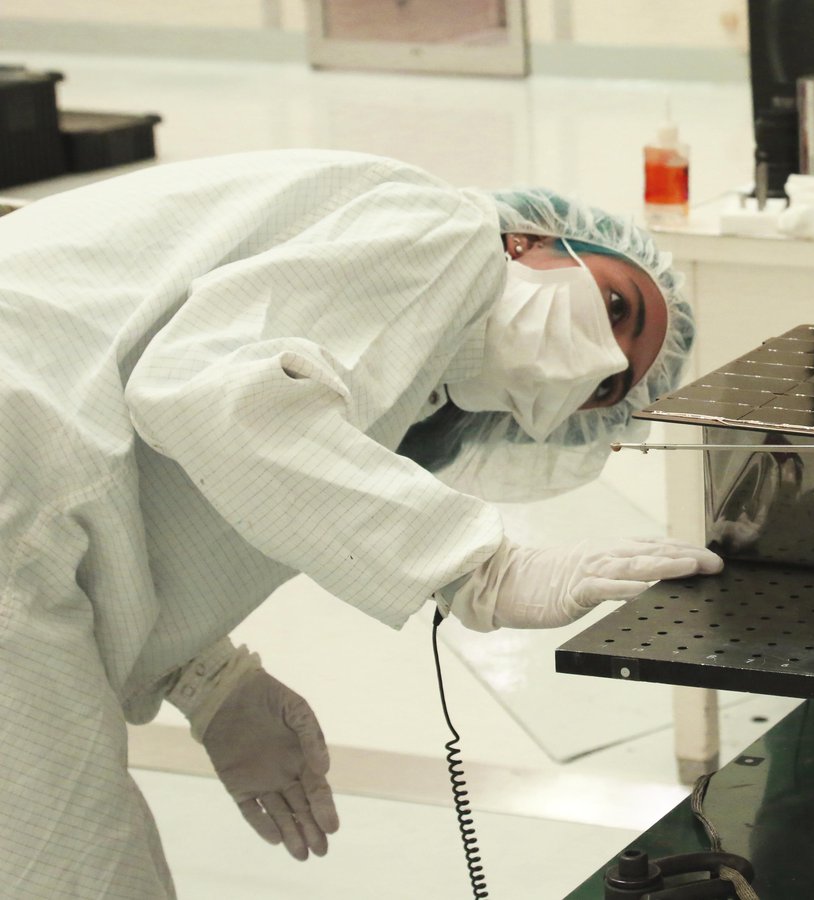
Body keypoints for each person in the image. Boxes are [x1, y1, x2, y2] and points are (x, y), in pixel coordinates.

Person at [0, 148, 721, 897]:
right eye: (614, 306)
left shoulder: (387, 393)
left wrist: (209, 678)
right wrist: (480, 568)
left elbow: (170, 477)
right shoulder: (446, 235)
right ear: (533, 241)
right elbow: (209, 393)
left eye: (608, 385)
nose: (597, 354)